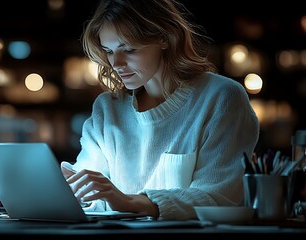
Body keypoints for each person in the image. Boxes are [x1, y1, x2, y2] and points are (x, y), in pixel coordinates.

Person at [60, 0, 260, 220]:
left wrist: (130, 201)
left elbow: (220, 198)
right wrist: (72, 189)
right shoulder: (107, 109)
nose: (116, 63)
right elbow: (92, 192)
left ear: (164, 38)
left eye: (128, 49)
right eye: (109, 51)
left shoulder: (221, 98)